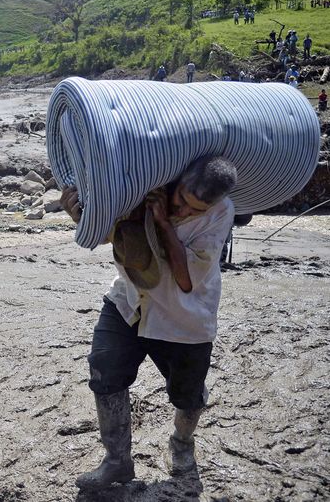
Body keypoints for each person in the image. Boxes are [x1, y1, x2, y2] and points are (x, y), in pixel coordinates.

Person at [61, 156, 238, 490]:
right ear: (177, 181)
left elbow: (186, 280)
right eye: (181, 200)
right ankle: (117, 462)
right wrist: (81, 218)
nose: (184, 210)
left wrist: (165, 223)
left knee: (187, 395)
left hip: (184, 318)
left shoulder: (220, 213)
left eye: (193, 210)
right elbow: (108, 233)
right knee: (105, 369)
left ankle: (182, 444)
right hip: (130, 301)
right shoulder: (143, 185)